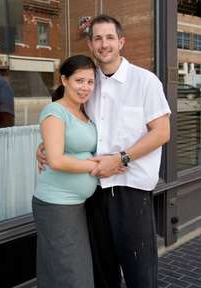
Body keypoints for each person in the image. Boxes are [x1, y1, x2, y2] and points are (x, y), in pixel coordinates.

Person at [37, 15, 171, 288]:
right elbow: (64, 118)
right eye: (97, 38)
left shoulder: (145, 81)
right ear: (91, 44)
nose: (104, 43)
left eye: (110, 37)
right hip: (94, 193)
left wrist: (120, 158)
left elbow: (162, 133)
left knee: (140, 274)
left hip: (130, 191)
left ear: (121, 42)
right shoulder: (88, 83)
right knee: (103, 273)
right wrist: (44, 146)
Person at [33, 55, 114, 288]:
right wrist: (98, 165)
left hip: (76, 205)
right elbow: (57, 161)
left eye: (90, 82)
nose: (85, 87)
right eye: (80, 80)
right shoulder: (54, 111)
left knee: (64, 270)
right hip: (56, 204)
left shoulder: (83, 111)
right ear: (65, 80)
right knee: (70, 274)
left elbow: (64, 146)